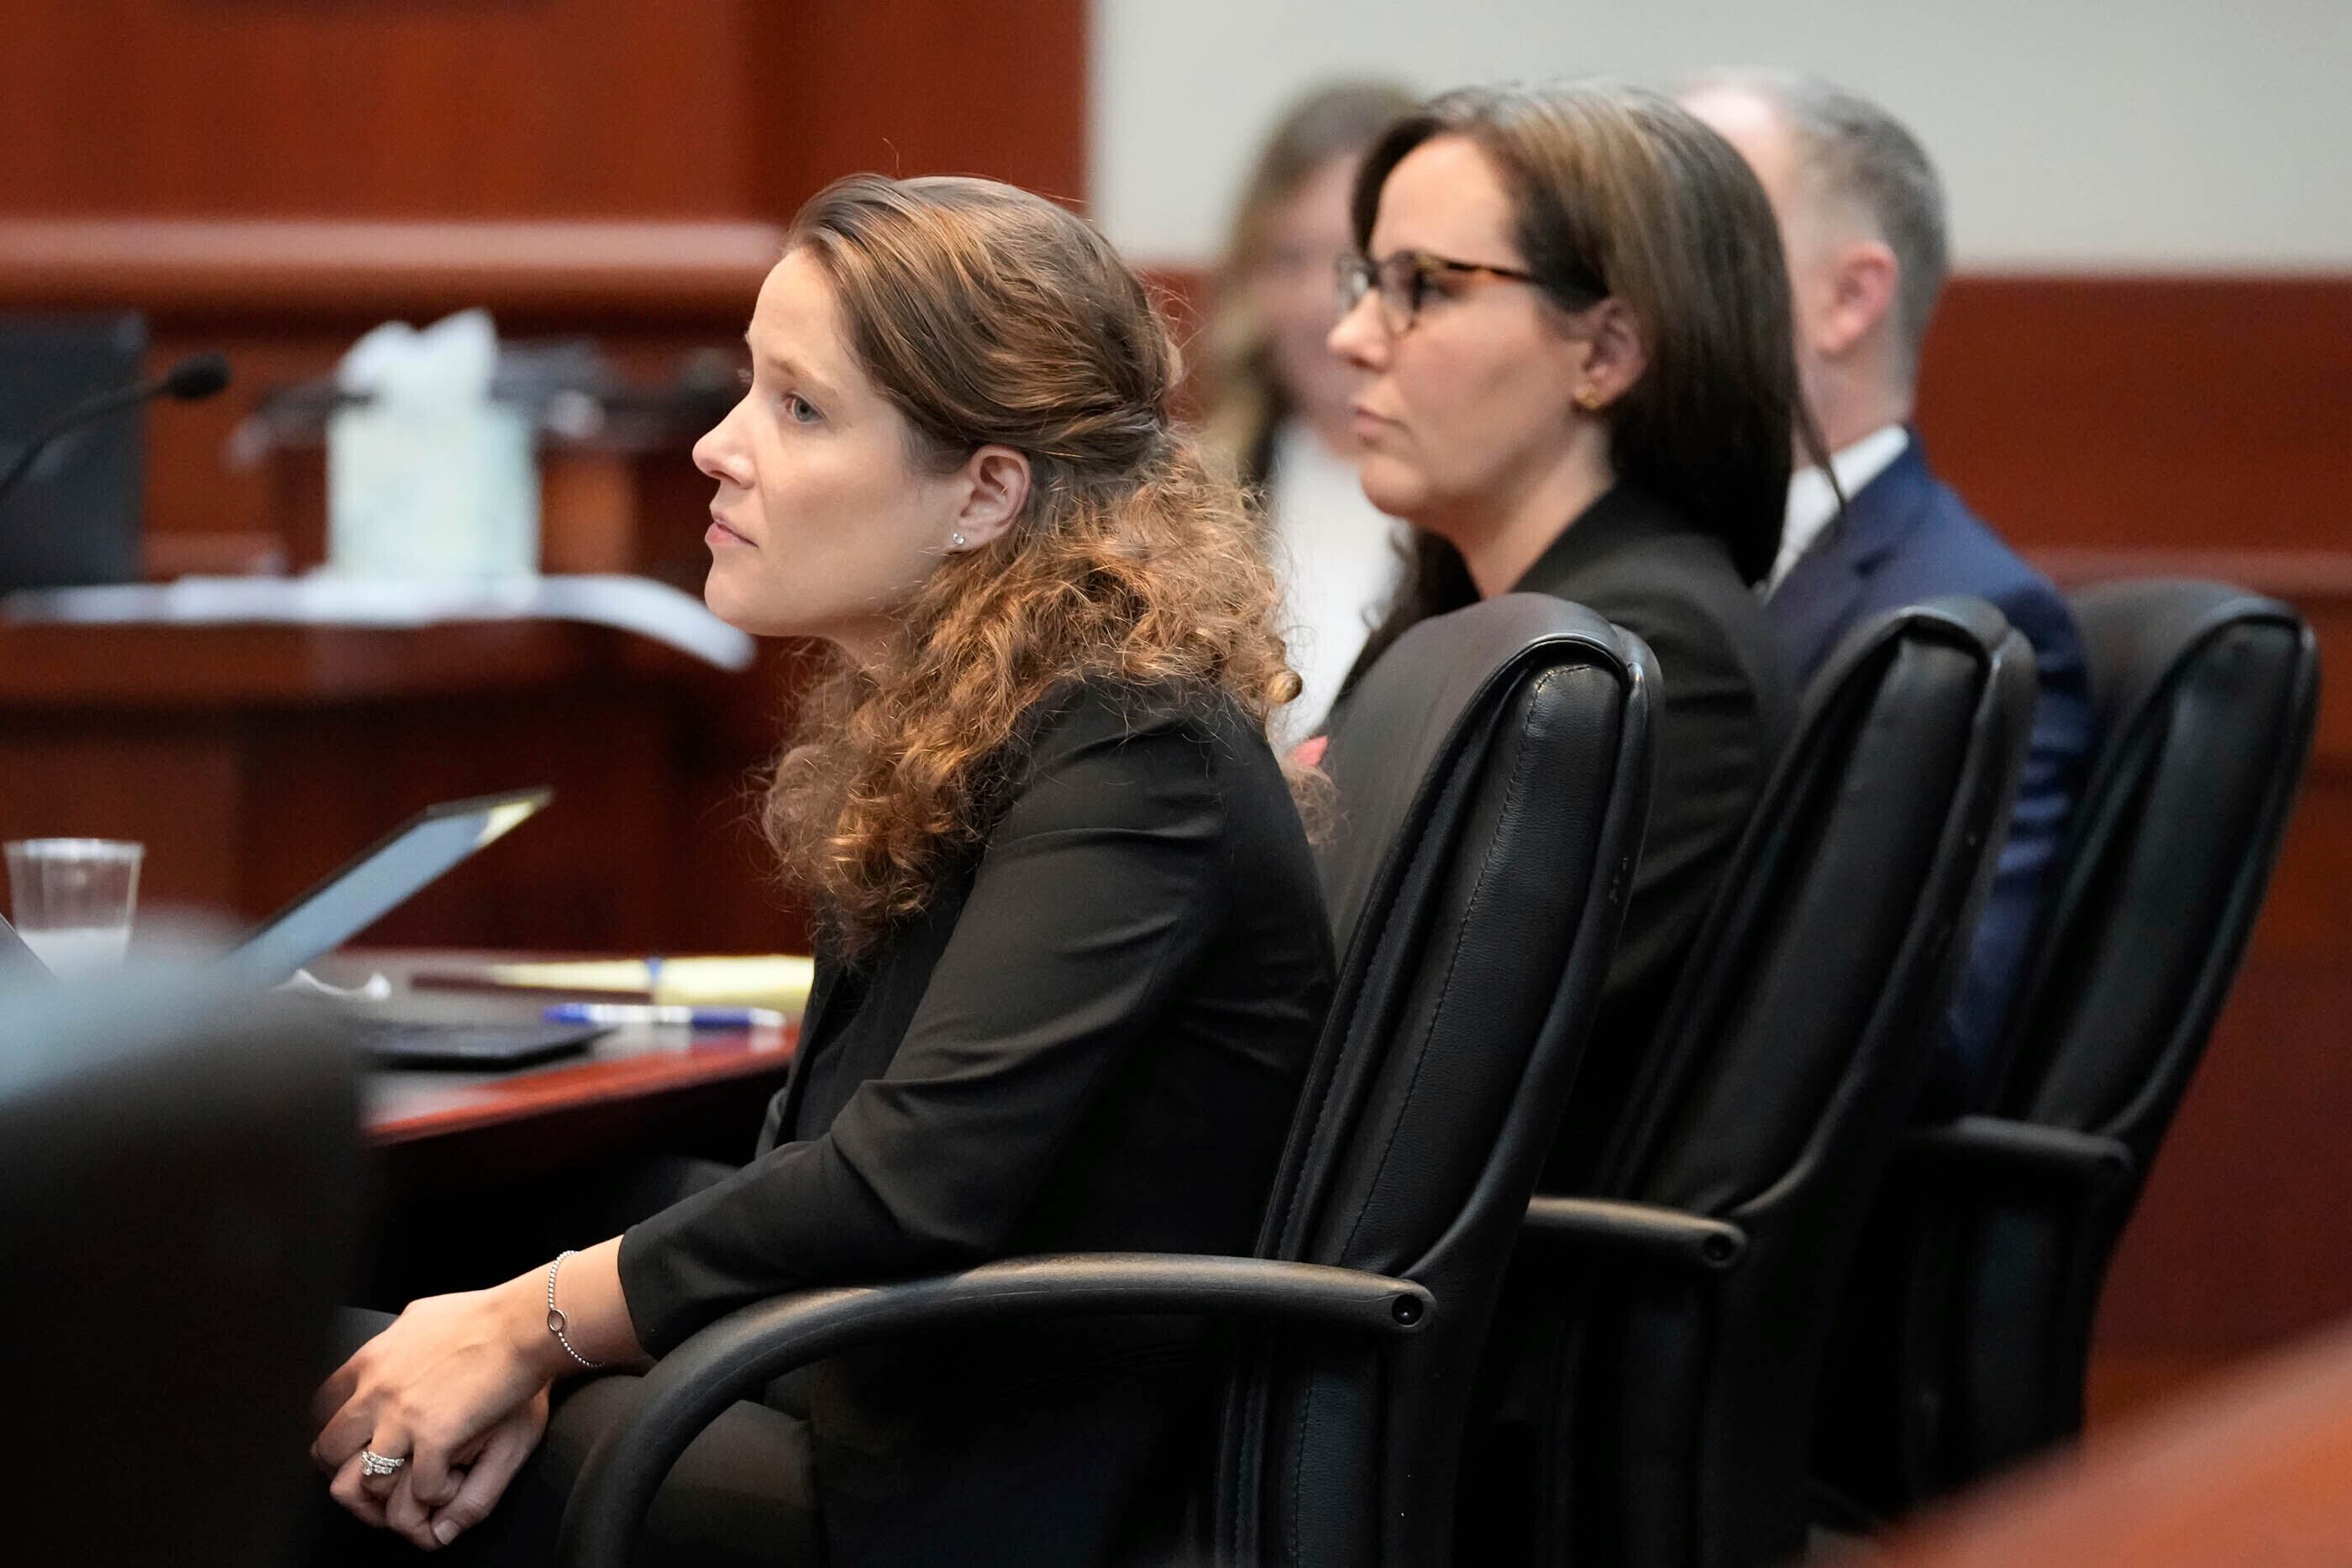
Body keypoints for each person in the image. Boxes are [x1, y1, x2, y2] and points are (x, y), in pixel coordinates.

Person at [308, 174, 1336, 1566]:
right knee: (371, 1281)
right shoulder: (982, 704)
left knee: (226, 1379)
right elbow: (826, 1149)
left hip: (956, 1477)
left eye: (799, 409)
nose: (717, 449)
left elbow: (911, 1180)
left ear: (984, 492)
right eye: (749, 388)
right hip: (864, 1378)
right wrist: (529, 1321)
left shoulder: (1134, 742)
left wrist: (525, 1322)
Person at [1327, 81, 1800, 1158]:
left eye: (1426, 289)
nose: (1353, 335)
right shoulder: (1470, 611)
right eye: (1368, 279)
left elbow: (1417, 1074)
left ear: (1605, 353)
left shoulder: (1646, 655)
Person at [1682, 71, 2094, 1103]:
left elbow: (1932, 1043)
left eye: (1697, 236)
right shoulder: (1645, 565)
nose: (1629, 286)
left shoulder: (1969, 623)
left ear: (1849, 298)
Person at [1202, 78, 1420, 741]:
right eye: (1288, 261)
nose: (1320, 305)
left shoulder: (1479, 505)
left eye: (1356, 265)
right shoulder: (1198, 493)